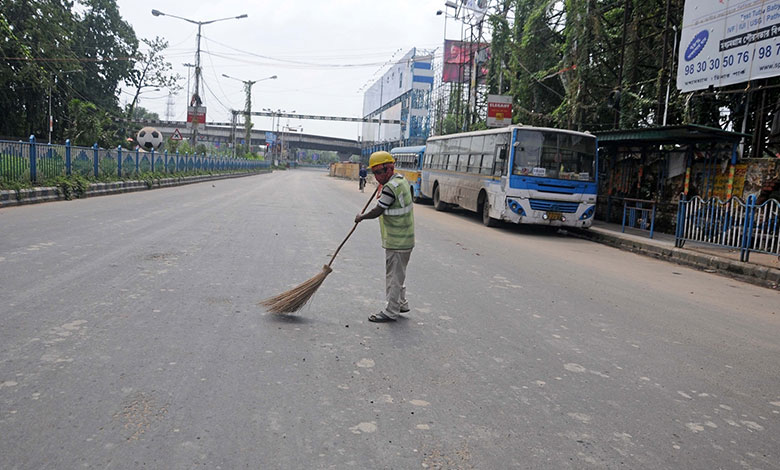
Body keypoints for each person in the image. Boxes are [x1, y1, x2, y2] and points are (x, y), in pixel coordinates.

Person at [354, 151, 414, 323]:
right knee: (399, 274)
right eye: (375, 173)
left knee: (393, 276)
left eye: (380, 172)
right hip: (405, 239)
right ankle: (401, 303)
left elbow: (378, 210)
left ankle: (391, 311)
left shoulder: (390, 188)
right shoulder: (400, 180)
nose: (377, 176)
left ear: (389, 168)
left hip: (397, 240)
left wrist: (361, 217)